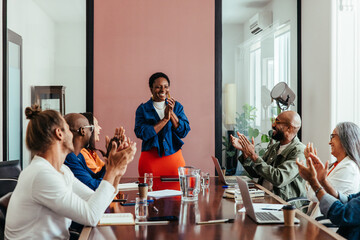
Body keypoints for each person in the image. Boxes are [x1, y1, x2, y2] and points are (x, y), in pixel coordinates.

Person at [5, 105, 136, 239]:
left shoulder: (62, 170)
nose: (73, 135)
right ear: (59, 133)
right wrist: (112, 170)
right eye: (68, 129)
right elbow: (90, 216)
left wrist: (118, 172)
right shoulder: (42, 174)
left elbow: (97, 199)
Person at [230, 110, 306, 201]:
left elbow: (279, 178)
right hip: (263, 196)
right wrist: (246, 152)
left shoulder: (300, 151)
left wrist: (254, 155)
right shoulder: (274, 147)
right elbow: (256, 173)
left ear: (289, 128)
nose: (273, 125)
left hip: (283, 205)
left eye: (277, 122)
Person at [135, 72, 190, 177]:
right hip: (150, 162)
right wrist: (165, 119)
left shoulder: (177, 107)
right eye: (158, 87)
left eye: (166, 87)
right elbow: (142, 134)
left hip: (174, 162)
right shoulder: (142, 109)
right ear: (151, 89)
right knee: (149, 193)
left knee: (177, 193)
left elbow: (184, 131)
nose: (162, 90)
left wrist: (171, 112)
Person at [304, 122, 360, 218]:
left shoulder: (349, 169)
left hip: (325, 224)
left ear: (345, 139)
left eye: (333, 136)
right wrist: (314, 173)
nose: (329, 142)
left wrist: (312, 176)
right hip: (316, 219)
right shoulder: (336, 164)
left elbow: (314, 196)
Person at [64, 113, 127, 190]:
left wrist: (110, 156)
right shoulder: (69, 158)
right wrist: (113, 167)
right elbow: (94, 188)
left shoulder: (78, 155)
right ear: (82, 131)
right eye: (91, 127)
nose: (93, 131)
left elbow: (95, 177)